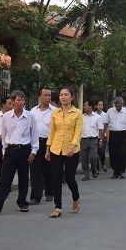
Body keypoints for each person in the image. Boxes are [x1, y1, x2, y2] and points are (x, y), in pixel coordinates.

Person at [0, 90, 38, 212]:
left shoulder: (30, 116)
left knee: (23, 178)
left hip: (24, 150)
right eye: (18, 100)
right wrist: (4, 151)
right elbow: (5, 135)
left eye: (22, 100)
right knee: (5, 178)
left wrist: (33, 151)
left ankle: (22, 203)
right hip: (10, 150)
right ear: (13, 102)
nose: (21, 102)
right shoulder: (6, 117)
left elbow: (34, 135)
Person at [45, 87, 83, 217]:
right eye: (61, 95)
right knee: (56, 178)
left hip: (71, 150)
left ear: (72, 97)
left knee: (69, 178)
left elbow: (78, 132)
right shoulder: (55, 113)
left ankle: (75, 198)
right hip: (56, 149)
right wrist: (48, 149)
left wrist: (73, 146)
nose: (63, 97)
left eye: (66, 95)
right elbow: (52, 131)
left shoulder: (77, 113)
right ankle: (58, 207)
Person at [29, 87, 56, 203]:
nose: (48, 97)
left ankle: (50, 192)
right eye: (45, 95)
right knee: (35, 169)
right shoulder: (33, 111)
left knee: (49, 168)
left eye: (49, 95)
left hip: (50, 143)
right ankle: (36, 196)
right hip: (35, 142)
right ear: (39, 97)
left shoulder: (55, 111)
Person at [104, 96, 126, 179]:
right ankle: (115, 171)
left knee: (122, 152)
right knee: (113, 153)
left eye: (120, 106)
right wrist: (103, 134)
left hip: (123, 134)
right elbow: (106, 123)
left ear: (122, 104)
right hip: (113, 133)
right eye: (116, 106)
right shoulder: (110, 111)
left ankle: (121, 170)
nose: (118, 108)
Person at [80, 98, 102, 181]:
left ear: (90, 106)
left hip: (93, 139)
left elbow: (100, 129)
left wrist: (101, 140)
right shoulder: (81, 117)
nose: (84, 107)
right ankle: (86, 175)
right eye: (84, 106)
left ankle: (94, 170)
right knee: (84, 158)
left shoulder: (97, 117)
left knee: (93, 157)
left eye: (85, 105)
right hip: (84, 139)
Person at [95, 100, 108, 172]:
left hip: (103, 135)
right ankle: (96, 168)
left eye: (101, 105)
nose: (100, 106)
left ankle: (103, 163)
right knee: (95, 152)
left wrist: (107, 137)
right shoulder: (93, 114)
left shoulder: (105, 115)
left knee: (102, 152)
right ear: (96, 106)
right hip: (95, 135)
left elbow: (107, 126)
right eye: (99, 105)